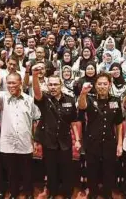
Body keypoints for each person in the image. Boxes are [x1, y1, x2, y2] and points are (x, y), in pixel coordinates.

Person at [0, 73, 41, 198]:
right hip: (7, 143)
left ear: (20, 83)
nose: (11, 86)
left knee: (27, 171)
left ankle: (28, 192)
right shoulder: (2, 97)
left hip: (25, 142)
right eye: (8, 83)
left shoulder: (29, 100)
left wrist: (35, 140)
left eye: (13, 83)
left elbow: (36, 121)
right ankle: (14, 192)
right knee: (11, 172)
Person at [32, 64, 81, 198]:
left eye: (55, 84)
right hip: (49, 141)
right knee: (51, 169)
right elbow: (36, 93)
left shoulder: (70, 100)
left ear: (61, 85)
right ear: (48, 86)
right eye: (51, 85)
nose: (53, 87)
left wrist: (77, 140)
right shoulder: (45, 99)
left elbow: (73, 122)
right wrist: (35, 76)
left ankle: (66, 192)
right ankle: (52, 192)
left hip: (65, 141)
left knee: (67, 169)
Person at [77, 72, 124, 198]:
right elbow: (82, 106)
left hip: (109, 142)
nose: (102, 86)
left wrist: (120, 144)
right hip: (92, 142)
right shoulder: (89, 98)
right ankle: (92, 193)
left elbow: (119, 123)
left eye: (105, 84)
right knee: (92, 170)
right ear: (95, 85)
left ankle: (107, 194)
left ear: (109, 85)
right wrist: (83, 93)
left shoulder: (115, 100)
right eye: (99, 84)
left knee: (109, 171)